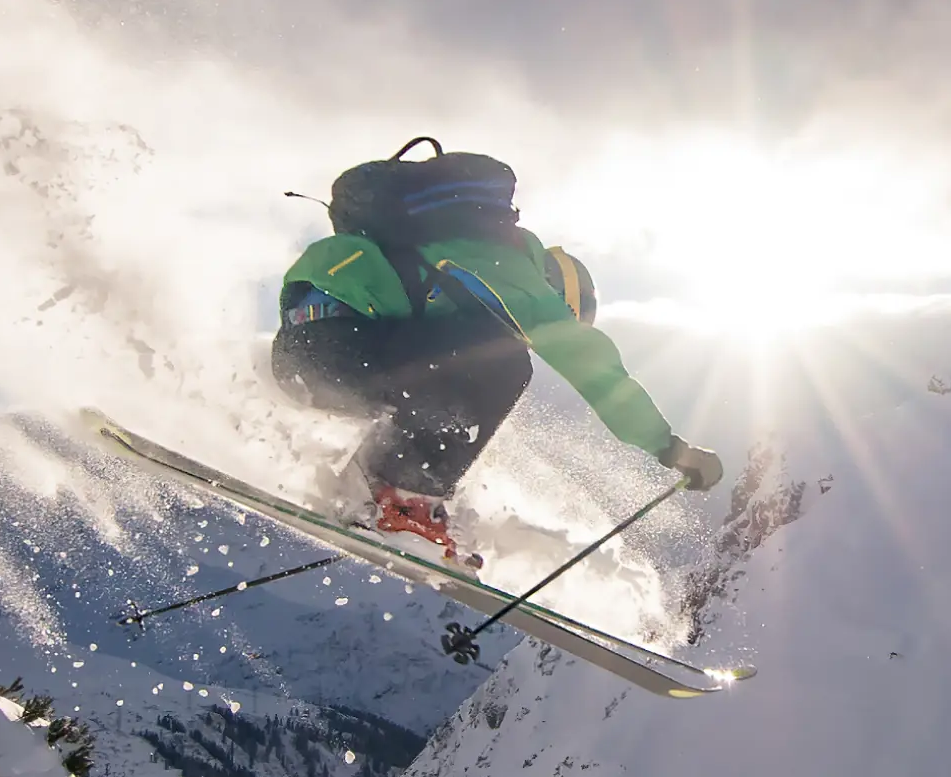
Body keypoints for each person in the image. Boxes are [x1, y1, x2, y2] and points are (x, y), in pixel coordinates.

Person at [270, 138, 721, 559]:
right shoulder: (511, 270)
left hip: (305, 356)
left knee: (454, 379)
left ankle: (377, 490)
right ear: (559, 292)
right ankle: (399, 501)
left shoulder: (456, 257)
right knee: (504, 363)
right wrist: (668, 447)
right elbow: (589, 363)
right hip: (339, 348)